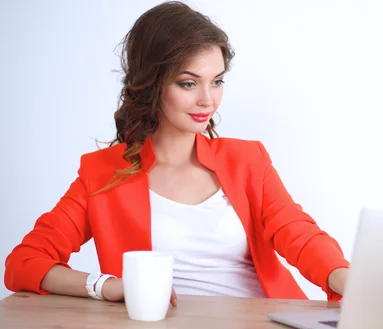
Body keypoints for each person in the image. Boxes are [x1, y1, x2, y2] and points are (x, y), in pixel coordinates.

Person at [3, 1, 350, 306]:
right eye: (188, 83)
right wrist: (105, 286)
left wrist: (344, 278)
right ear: (152, 84)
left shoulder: (248, 160)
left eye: (217, 81)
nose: (207, 100)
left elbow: (300, 235)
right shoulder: (103, 174)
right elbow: (25, 262)